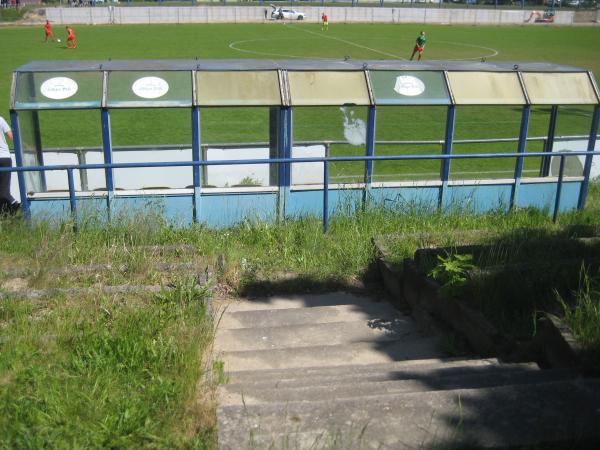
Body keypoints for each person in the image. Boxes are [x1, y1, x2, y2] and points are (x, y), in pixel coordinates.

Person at [0, 115, 19, 214]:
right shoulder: (1, 119)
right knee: (4, 190)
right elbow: (12, 137)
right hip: (5, 158)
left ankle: (17, 208)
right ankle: (14, 209)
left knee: (3, 192)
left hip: (3, 158)